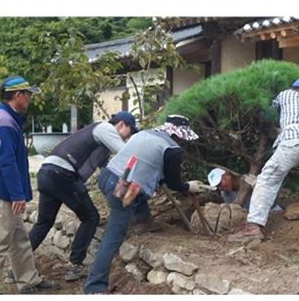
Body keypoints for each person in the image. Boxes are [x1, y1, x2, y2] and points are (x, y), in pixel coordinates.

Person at [84, 114, 208, 294]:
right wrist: (189, 186)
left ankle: (143, 220)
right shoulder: (172, 150)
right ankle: (94, 288)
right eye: (183, 139)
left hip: (106, 177)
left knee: (139, 193)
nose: (183, 143)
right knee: (113, 237)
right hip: (121, 188)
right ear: (179, 135)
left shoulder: (144, 134)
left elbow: (152, 170)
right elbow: (173, 182)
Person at [0, 76, 59, 294]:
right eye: (28, 95)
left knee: (19, 239)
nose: (29, 99)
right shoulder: (4, 122)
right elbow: (7, 162)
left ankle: (28, 280)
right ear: (18, 96)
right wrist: (17, 195)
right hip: (1, 193)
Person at [27, 111, 139, 282]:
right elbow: (126, 155)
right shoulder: (105, 128)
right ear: (122, 124)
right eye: (128, 133)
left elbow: (109, 171)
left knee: (45, 221)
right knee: (91, 217)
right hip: (62, 175)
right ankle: (75, 265)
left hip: (47, 174)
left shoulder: (102, 146)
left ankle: (19, 267)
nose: (126, 138)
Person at [228, 78, 299, 243]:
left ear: (294, 88)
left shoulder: (285, 94)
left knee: (267, 179)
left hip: (294, 139)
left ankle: (254, 226)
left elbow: (269, 112)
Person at [208, 168, 283, 213]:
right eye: (217, 186)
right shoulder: (225, 194)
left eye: (220, 183)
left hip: (272, 211)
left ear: (228, 176)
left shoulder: (249, 180)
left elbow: (273, 195)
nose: (220, 188)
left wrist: (259, 186)